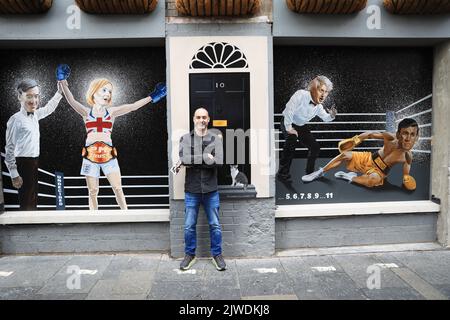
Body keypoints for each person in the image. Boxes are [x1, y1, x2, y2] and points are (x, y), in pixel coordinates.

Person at [58, 66, 166, 210]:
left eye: (109, 91)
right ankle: (93, 218)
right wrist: (62, 80)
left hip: (108, 153)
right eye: (104, 90)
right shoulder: (86, 112)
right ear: (93, 92)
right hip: (90, 154)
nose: (107, 93)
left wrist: (153, 96)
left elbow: (132, 106)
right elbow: (71, 100)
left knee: (117, 187)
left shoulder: (112, 112)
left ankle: (126, 215)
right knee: (92, 191)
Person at [301, 118, 419, 190]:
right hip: (368, 158)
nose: (408, 138)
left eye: (412, 134)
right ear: (398, 134)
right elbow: (369, 134)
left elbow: (406, 170)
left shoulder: (407, 155)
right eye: (405, 133)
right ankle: (319, 173)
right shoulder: (390, 138)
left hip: (379, 172)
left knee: (371, 181)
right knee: (345, 155)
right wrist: (355, 140)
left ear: (416, 137)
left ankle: (350, 177)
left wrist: (406, 178)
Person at [178, 107, 226, 271]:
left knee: (215, 225)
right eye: (198, 117)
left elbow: (219, 162)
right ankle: (189, 255)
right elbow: (184, 159)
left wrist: (194, 160)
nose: (201, 120)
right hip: (192, 190)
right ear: (194, 119)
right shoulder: (185, 139)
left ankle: (217, 255)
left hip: (211, 190)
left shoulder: (215, 139)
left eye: (204, 117)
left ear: (209, 119)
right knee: (189, 226)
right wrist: (206, 156)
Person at [4, 79, 63, 210]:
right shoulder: (15, 120)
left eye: (36, 96)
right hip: (23, 163)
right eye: (29, 96)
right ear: (20, 97)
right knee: (27, 201)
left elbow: (49, 108)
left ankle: (30, 226)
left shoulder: (35, 115)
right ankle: (26, 229)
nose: (34, 100)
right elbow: (9, 149)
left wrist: (59, 93)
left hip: (34, 161)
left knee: (32, 198)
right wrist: (14, 174)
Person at [276, 75, 337, 183]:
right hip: (287, 121)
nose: (323, 95)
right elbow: (289, 110)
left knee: (315, 147)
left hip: (301, 126)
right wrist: (289, 128)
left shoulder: (318, 107)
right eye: (321, 90)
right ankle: (282, 173)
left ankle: (310, 172)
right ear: (314, 89)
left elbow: (325, 118)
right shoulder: (301, 94)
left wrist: (332, 115)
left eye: (326, 92)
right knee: (292, 139)